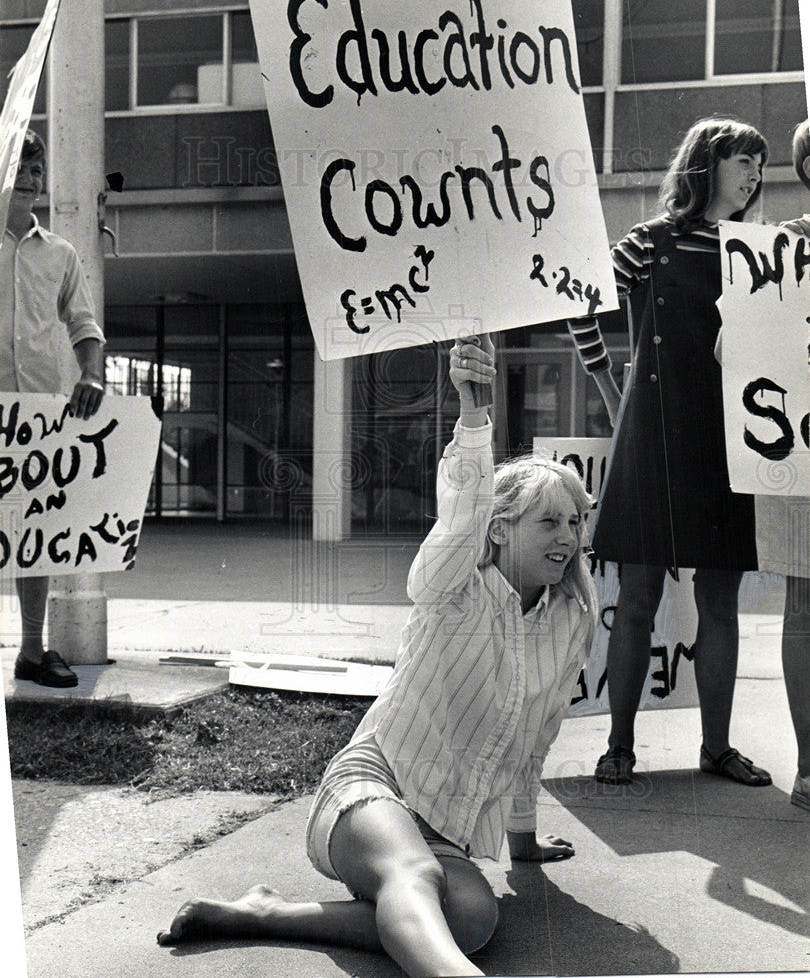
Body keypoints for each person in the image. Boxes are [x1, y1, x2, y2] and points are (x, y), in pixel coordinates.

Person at [157, 333, 598, 978]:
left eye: (575, 522)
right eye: (549, 522)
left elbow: (533, 736)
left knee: (473, 921)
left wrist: (522, 839)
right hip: (372, 786)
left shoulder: (570, 620)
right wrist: (473, 416)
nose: (567, 536)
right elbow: (459, 518)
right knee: (412, 873)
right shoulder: (455, 586)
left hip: (448, 826)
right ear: (500, 529)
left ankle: (264, 913)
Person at [569, 117, 772, 788]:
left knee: (720, 599)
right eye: (742, 160)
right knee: (637, 596)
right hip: (653, 432)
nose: (752, 174)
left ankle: (716, 748)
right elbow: (582, 305)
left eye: (758, 164)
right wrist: (607, 385)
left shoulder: (758, 249)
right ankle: (618, 745)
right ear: (705, 165)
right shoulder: (651, 242)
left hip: (730, 442)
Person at [3, 130, 106, 689]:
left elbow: (83, 324)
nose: (31, 178)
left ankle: (30, 651)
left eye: (38, 171)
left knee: (31, 532)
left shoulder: (61, 254)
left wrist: (90, 373)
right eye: (21, 165)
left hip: (37, 417)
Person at [752, 120, 810, 810]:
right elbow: (729, 350)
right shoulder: (780, 247)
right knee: (804, 601)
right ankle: (809, 763)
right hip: (796, 443)